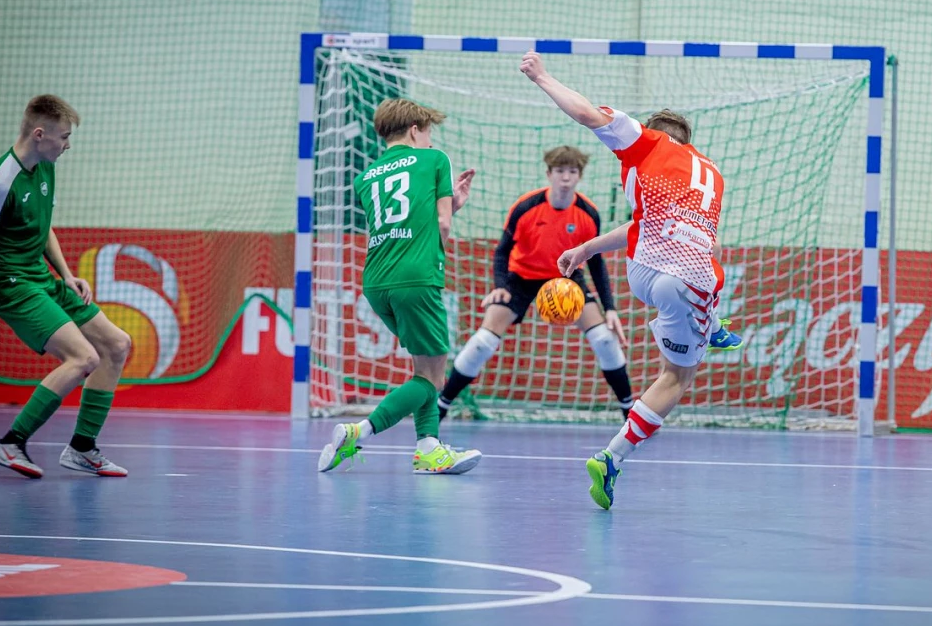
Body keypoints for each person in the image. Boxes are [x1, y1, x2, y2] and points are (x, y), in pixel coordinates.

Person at [520, 51, 742, 509]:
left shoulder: (648, 144)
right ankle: (611, 458)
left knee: (682, 308)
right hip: (686, 279)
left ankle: (706, 324)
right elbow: (710, 245)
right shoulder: (712, 174)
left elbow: (586, 113)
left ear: (654, 132)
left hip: (643, 271)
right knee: (676, 378)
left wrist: (542, 77)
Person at [318, 98, 482, 475]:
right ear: (414, 130)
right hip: (416, 277)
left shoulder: (366, 177)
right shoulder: (434, 159)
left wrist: (449, 206)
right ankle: (357, 432)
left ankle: (428, 449)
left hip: (377, 282)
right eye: (428, 133)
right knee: (434, 377)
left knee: (423, 368)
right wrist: (450, 209)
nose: (430, 141)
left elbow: (402, 220)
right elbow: (442, 224)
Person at [0, 95, 133, 478]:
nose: (68, 145)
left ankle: (82, 449)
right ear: (40, 134)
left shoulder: (45, 167)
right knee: (83, 358)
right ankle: (11, 442)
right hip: (9, 284)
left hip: (40, 277)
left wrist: (66, 274)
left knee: (116, 345)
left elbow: (44, 227)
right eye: (64, 137)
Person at [438, 145, 633, 421]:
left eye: (572, 171)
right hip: (522, 277)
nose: (566, 177)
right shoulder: (526, 206)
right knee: (482, 342)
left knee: (604, 338)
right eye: (560, 171)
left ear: (579, 176)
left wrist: (610, 307)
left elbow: (596, 262)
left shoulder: (588, 212)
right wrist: (500, 286)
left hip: (566, 278)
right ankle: (442, 405)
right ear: (549, 174)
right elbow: (502, 251)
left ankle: (629, 411)